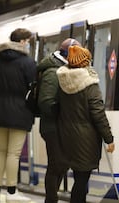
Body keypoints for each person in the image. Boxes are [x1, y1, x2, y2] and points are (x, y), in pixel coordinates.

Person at [56, 45, 115, 203]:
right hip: (85, 139)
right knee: (81, 181)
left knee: (78, 178)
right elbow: (98, 114)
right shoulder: (90, 85)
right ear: (86, 61)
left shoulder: (62, 82)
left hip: (67, 136)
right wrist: (109, 139)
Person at [0, 28, 36, 202]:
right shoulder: (27, 62)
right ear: (22, 42)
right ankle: (11, 192)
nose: (28, 44)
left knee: (0, 151)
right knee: (13, 153)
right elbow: (33, 87)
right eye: (28, 41)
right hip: (19, 110)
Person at [37, 38, 82, 203]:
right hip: (52, 127)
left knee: (61, 164)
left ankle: (52, 198)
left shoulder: (64, 68)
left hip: (61, 127)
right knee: (57, 164)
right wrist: (64, 112)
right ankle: (51, 199)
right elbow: (46, 102)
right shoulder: (52, 72)